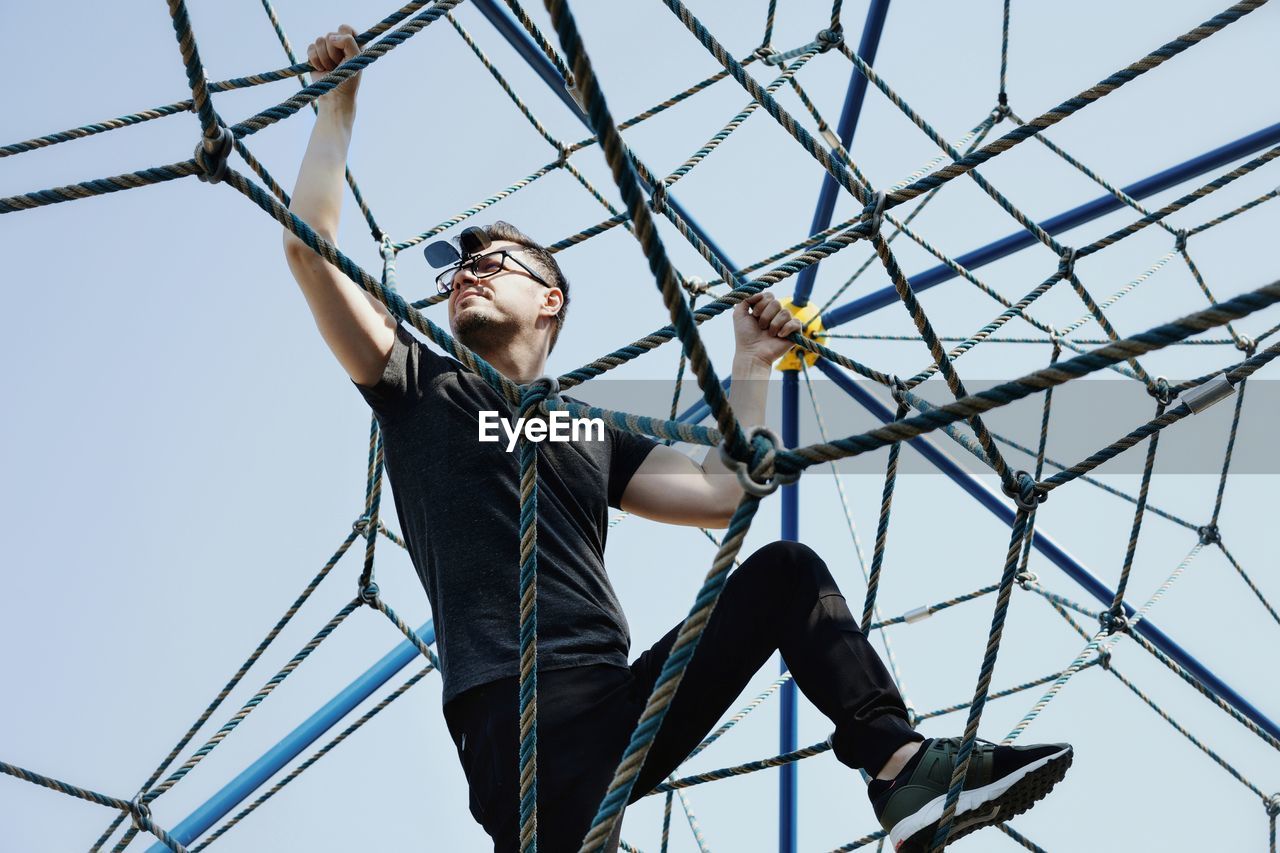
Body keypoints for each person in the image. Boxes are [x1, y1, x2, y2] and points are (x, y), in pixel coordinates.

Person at [282, 26, 1074, 853]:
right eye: (458, 267)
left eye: (495, 259)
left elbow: (722, 493)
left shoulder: (586, 428)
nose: (467, 272)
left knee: (785, 572)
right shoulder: (420, 387)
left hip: (616, 706)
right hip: (514, 728)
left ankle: (901, 769)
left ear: (550, 299)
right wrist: (338, 104)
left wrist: (752, 361)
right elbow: (309, 252)